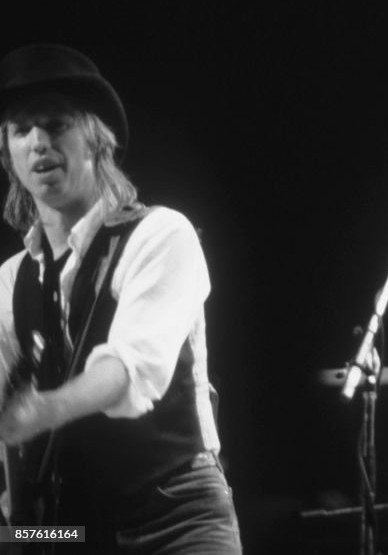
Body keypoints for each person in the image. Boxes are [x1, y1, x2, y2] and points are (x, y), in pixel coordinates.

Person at [0, 44, 242, 553]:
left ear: (96, 140)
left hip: (177, 517)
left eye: (55, 124)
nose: (39, 142)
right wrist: (15, 518)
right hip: (73, 527)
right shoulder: (10, 280)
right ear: (8, 155)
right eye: (22, 131)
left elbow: (130, 370)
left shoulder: (161, 234)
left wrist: (43, 411)